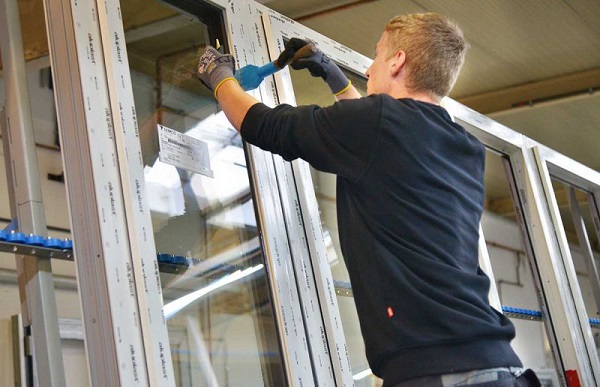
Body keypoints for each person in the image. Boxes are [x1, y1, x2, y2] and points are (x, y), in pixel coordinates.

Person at [197, 12, 540, 387]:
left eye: (376, 56)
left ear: (397, 61)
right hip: (495, 364)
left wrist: (219, 77)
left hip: (438, 370)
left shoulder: (376, 124)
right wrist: (335, 79)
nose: (372, 67)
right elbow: (380, 148)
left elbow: (264, 125)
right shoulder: (465, 147)